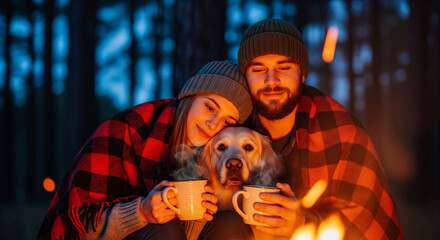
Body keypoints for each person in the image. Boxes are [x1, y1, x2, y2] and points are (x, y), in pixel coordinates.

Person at [37, 60, 255, 240]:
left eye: (227, 122)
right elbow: (80, 229)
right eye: (209, 107)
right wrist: (141, 211)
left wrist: (197, 217)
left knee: (230, 222)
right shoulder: (127, 130)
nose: (213, 125)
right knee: (165, 230)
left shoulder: (217, 155)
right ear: (192, 96)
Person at [238, 19, 404, 239]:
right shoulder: (230, 123)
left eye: (284, 67)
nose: (271, 81)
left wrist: (303, 222)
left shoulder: (341, 132)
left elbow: (365, 226)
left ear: (302, 74)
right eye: (259, 69)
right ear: (245, 77)